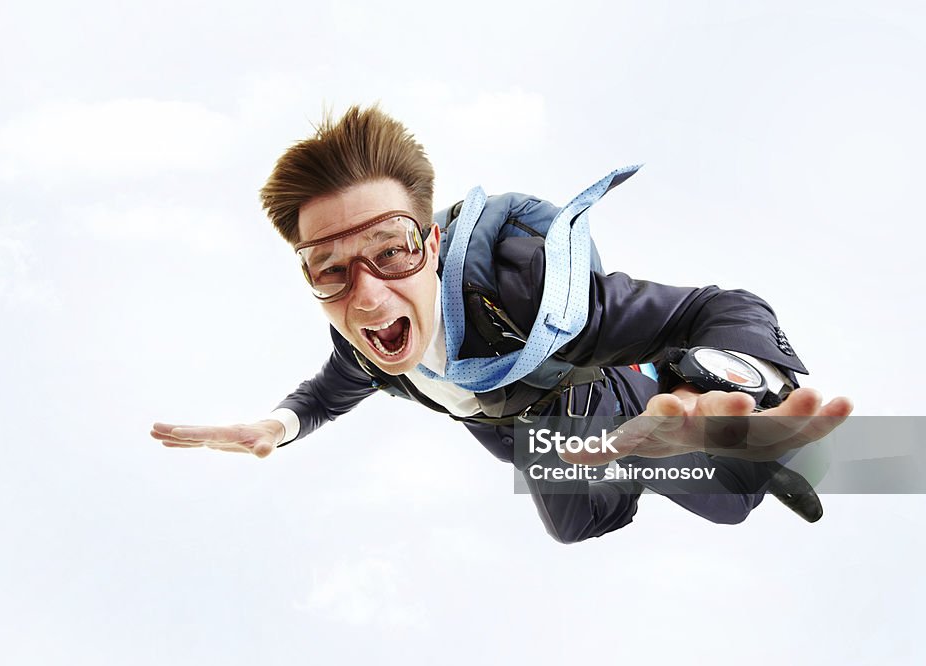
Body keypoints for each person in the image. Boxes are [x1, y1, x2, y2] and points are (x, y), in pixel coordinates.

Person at [151, 106, 853, 543]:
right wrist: (277, 426)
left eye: (390, 249)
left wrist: (753, 378)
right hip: (526, 435)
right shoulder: (357, 332)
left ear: (429, 243)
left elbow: (711, 305)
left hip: (586, 403)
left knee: (727, 505)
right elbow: (335, 385)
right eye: (328, 267)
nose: (365, 298)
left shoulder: (518, 286)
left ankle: (730, 441)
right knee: (579, 525)